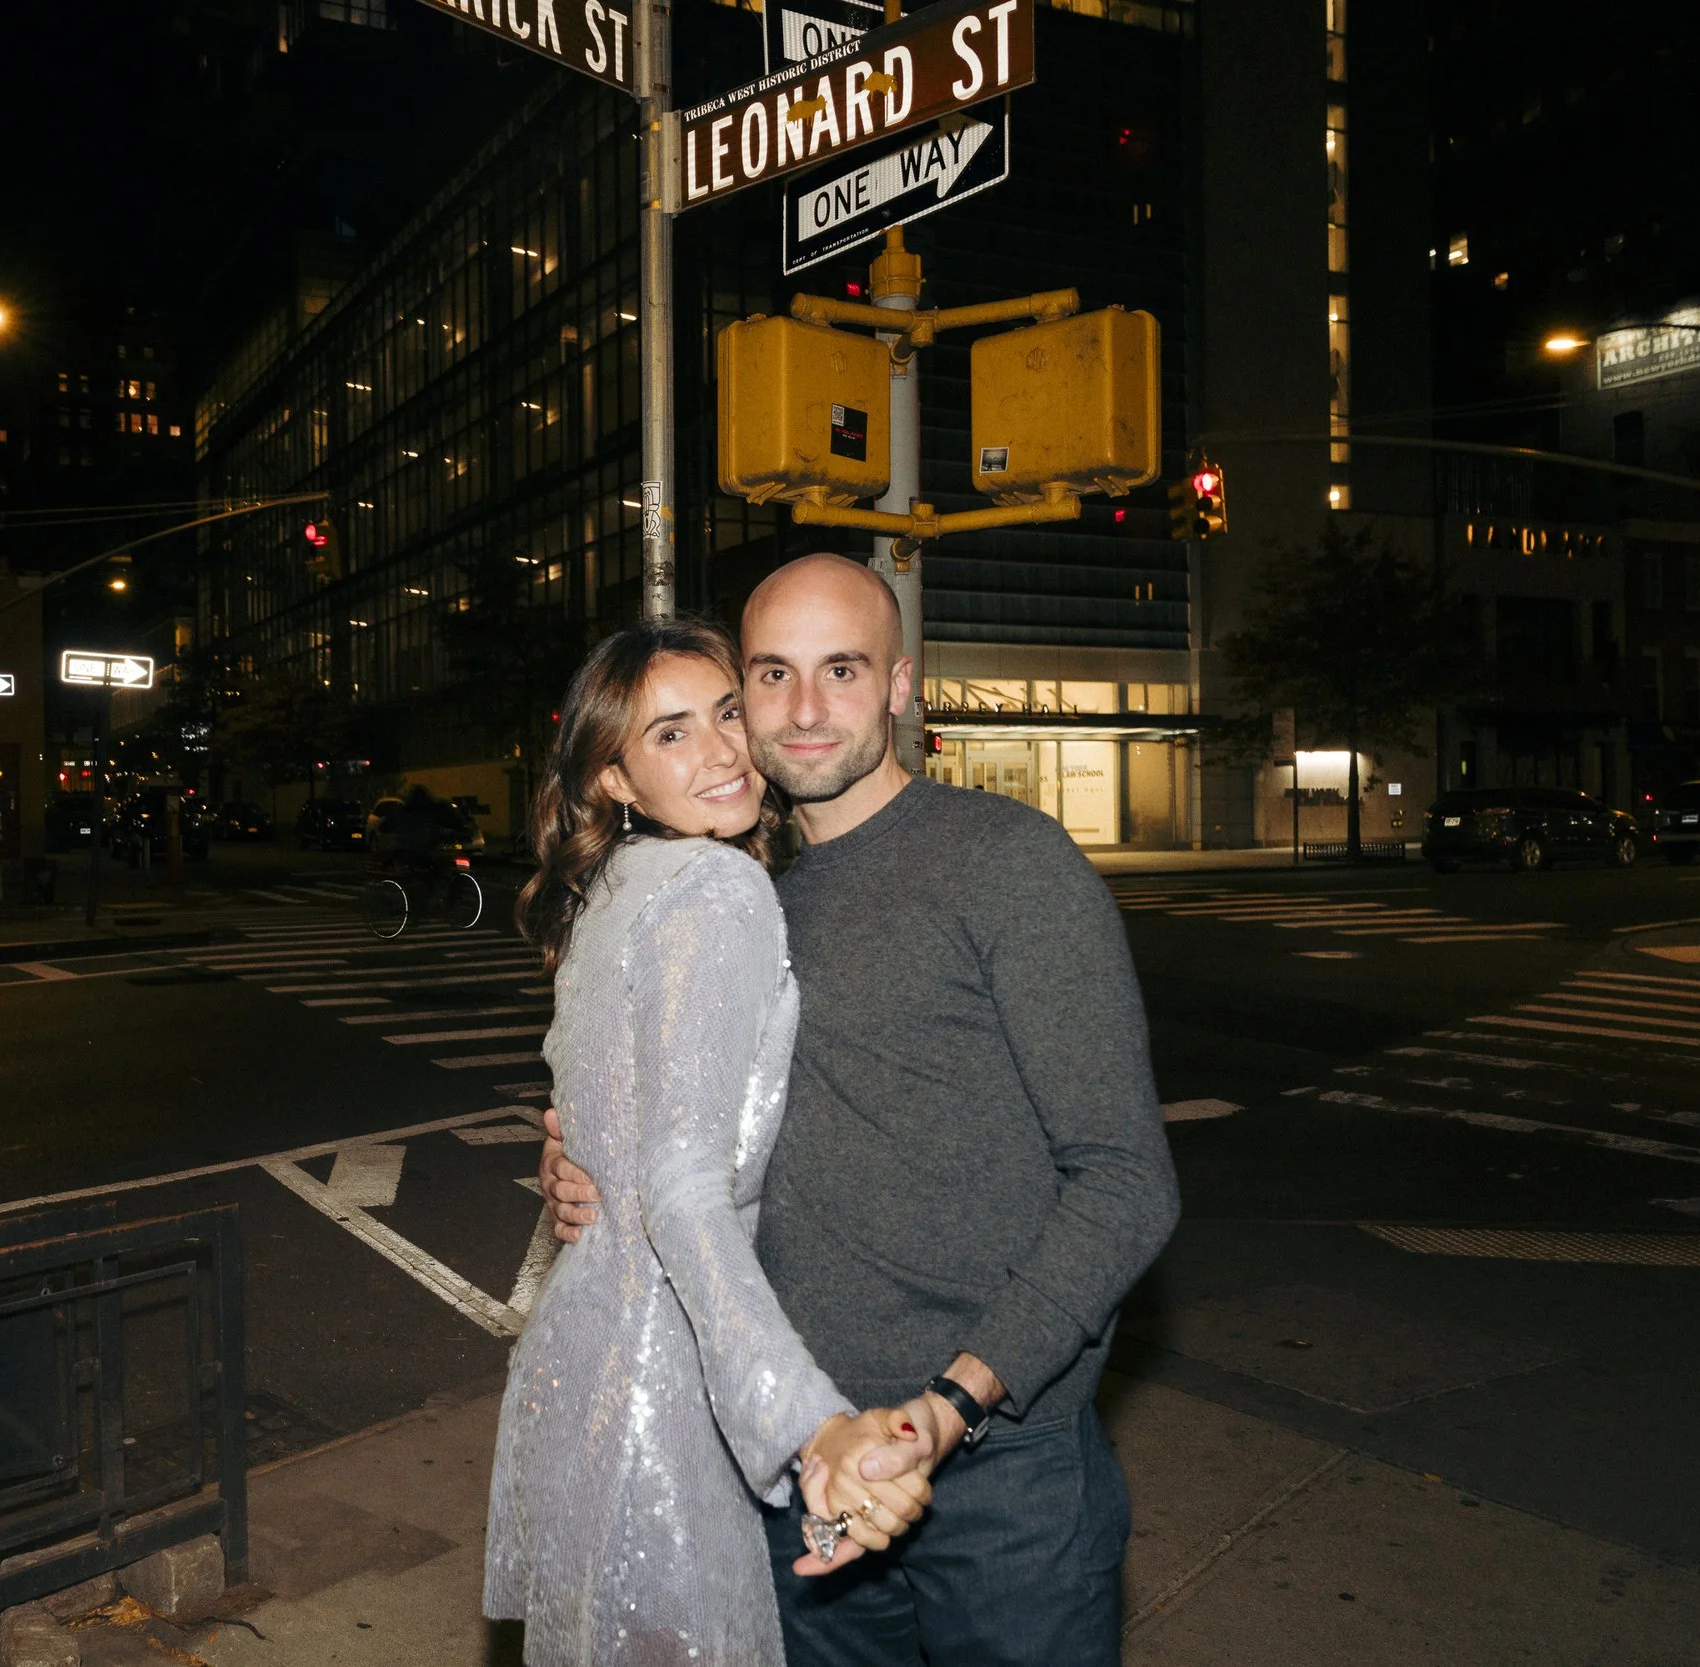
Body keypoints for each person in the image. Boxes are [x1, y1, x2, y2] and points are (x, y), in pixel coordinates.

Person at [543, 555, 1181, 1665]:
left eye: (839, 669)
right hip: (805, 1460)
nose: (800, 710)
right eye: (770, 676)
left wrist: (954, 1401)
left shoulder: (1006, 863)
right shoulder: (739, 900)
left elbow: (1126, 1180)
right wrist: (590, 1173)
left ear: (897, 684)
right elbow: (703, 1141)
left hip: (1000, 1475)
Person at [484, 617, 936, 1667]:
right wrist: (807, 1422)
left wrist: (573, 1165)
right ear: (616, 781)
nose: (726, 750)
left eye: (727, 712)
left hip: (579, 1352)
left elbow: (610, 1125)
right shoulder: (715, 889)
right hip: (666, 1371)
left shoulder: (607, 897)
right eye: (672, 734)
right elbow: (684, 1182)